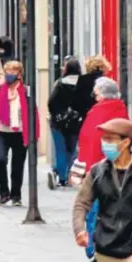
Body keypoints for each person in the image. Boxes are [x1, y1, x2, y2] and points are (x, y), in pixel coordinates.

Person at [72, 118, 132, 262]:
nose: (104, 143)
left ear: (125, 142)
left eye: (110, 139)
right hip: (107, 250)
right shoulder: (98, 172)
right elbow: (81, 203)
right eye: (104, 138)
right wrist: (79, 229)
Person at [70, 77, 129, 262]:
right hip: (111, 166)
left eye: (96, 93)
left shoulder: (101, 111)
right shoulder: (118, 109)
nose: (94, 96)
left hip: (98, 169)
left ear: (103, 94)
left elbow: (94, 140)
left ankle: (97, 250)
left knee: (93, 210)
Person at [0, 61, 40, 206]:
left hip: (20, 132)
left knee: (18, 165)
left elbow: (34, 113)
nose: (10, 74)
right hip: (2, 131)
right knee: (0, 159)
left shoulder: (27, 91)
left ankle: (16, 195)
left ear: (20, 74)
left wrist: (35, 134)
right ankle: (3, 192)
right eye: (7, 71)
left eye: (13, 72)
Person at [47, 57, 82, 189]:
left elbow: (51, 102)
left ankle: (61, 177)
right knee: (71, 150)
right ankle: (67, 174)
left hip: (59, 123)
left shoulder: (60, 84)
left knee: (60, 149)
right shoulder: (83, 84)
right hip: (75, 122)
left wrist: (56, 115)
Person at [72, 55, 111, 121]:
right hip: (103, 118)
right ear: (104, 67)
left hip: (86, 117)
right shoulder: (107, 81)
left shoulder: (81, 80)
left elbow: (75, 102)